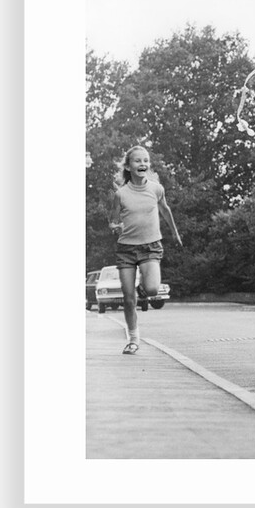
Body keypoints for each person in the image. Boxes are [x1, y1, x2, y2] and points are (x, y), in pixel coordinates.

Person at [109, 145, 182, 355]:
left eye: (145, 160)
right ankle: (133, 340)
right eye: (137, 161)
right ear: (129, 166)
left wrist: (175, 233)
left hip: (150, 246)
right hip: (126, 250)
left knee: (151, 290)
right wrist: (114, 227)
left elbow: (165, 210)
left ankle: (139, 290)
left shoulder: (156, 188)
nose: (142, 164)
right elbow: (112, 220)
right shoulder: (120, 194)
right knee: (128, 298)